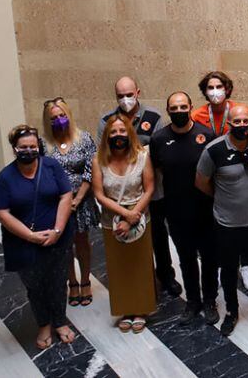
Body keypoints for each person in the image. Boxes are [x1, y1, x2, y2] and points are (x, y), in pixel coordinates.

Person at [196, 103, 248, 335]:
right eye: (236, 122)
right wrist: (223, 197)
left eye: (245, 121)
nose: (242, 125)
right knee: (229, 269)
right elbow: (201, 181)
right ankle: (232, 312)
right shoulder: (214, 149)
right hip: (227, 223)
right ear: (229, 123)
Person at [0, 125, 76, 349]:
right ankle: (43, 324)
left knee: (58, 281)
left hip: (57, 237)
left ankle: (59, 321)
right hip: (23, 243)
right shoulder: (5, 177)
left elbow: (66, 195)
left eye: (32, 146)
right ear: (15, 149)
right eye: (23, 147)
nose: (29, 150)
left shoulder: (51, 166)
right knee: (35, 285)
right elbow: (2, 212)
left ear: (38, 146)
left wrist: (58, 230)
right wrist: (30, 236)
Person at [98, 77, 179, 299]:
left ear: (138, 92)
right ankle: (140, 281)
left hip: (153, 188)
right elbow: (103, 153)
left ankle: (166, 275)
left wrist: (142, 156)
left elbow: (161, 149)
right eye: (120, 96)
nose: (126, 99)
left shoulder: (153, 117)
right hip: (122, 193)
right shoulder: (107, 120)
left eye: (129, 94)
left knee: (159, 234)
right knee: (128, 237)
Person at [150, 91, 220, 325]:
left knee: (210, 258)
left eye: (183, 106)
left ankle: (210, 300)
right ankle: (192, 302)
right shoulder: (159, 139)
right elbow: (157, 172)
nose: (179, 111)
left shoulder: (206, 135)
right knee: (186, 258)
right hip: (176, 211)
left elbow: (214, 172)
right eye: (174, 107)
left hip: (205, 209)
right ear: (168, 110)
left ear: (190, 107)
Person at [92, 114, 157, 333]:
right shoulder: (98, 160)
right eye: (113, 132)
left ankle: (141, 309)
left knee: (140, 265)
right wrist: (124, 214)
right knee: (119, 267)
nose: (118, 135)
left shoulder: (142, 156)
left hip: (139, 218)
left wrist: (134, 215)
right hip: (112, 220)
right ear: (107, 136)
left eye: (122, 131)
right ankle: (125, 310)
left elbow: (149, 188)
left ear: (129, 133)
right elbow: (99, 195)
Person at [42, 97, 99, 309]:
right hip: (55, 203)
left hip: (81, 200)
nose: (59, 120)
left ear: (69, 115)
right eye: (54, 118)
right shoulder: (44, 144)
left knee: (82, 241)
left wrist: (76, 199)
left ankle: (85, 281)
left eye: (62, 116)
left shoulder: (83, 138)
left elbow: (91, 169)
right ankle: (72, 283)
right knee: (63, 244)